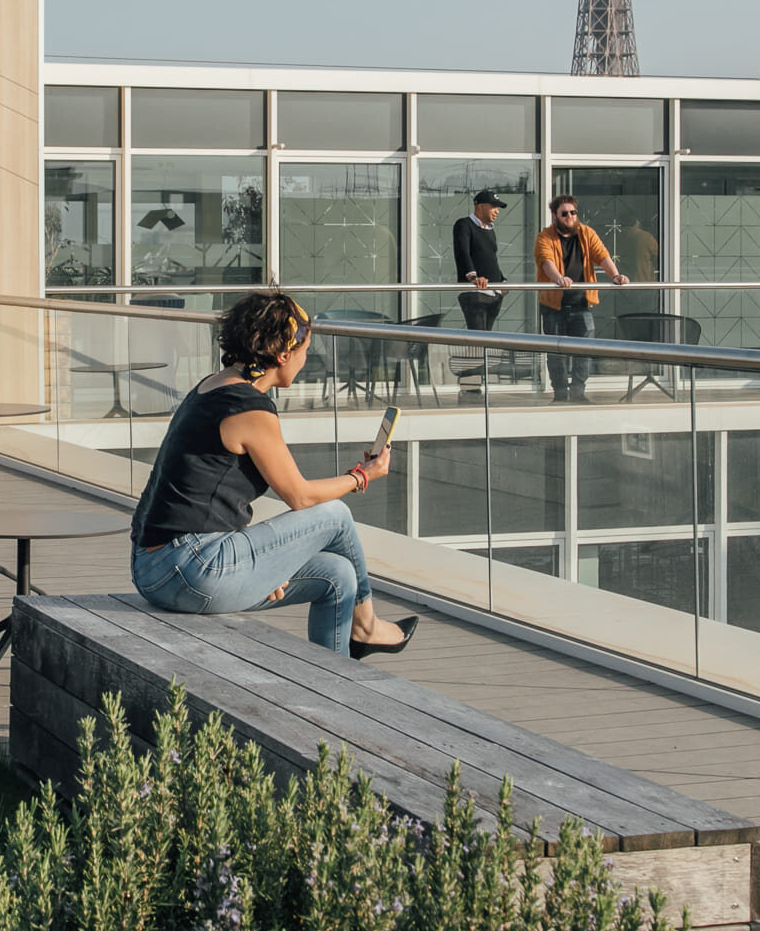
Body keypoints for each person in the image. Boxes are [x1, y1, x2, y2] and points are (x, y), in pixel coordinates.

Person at [129, 292, 420, 658]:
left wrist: (266, 565)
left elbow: (203, 499)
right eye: (304, 350)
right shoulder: (248, 409)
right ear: (283, 355)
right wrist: (362, 475)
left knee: (338, 575)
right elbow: (298, 496)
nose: (305, 359)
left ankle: (335, 683)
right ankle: (367, 627)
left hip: (156, 567)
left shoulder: (213, 386)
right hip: (190, 569)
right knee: (334, 515)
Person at [533, 194, 627, 403]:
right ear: (555, 216)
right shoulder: (544, 237)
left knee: (583, 350)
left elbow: (602, 256)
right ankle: (560, 394)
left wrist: (616, 275)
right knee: (556, 352)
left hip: (581, 304)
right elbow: (546, 262)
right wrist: (559, 278)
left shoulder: (586, 233)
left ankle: (578, 392)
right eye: (564, 214)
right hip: (553, 306)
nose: (570, 217)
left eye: (573, 213)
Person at [452, 189, 509, 392]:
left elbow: (491, 259)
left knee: (484, 339)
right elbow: (462, 252)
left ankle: (475, 384)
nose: (497, 211)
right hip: (474, 293)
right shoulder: (464, 225)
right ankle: (470, 388)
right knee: (477, 338)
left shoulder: (490, 229)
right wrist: (473, 277)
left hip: (493, 294)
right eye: (493, 207)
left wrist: (502, 282)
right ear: (480, 206)